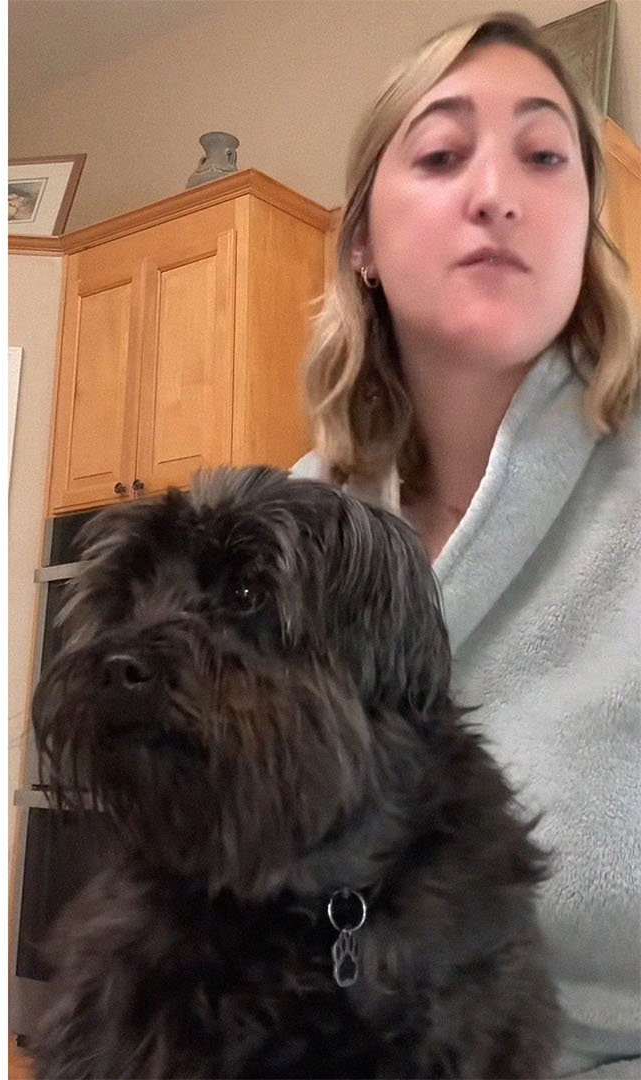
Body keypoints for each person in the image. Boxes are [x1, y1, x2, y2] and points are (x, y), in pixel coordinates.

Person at [296, 13, 639, 1076]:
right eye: (443, 155)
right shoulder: (284, 545)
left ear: (586, 231)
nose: (496, 194)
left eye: (545, 158)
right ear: (361, 242)